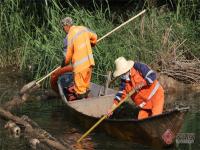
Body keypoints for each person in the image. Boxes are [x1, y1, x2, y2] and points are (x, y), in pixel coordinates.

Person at [60, 17, 97, 100]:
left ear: (66, 26)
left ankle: (82, 103)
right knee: (85, 87)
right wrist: (92, 43)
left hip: (80, 68)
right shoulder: (83, 29)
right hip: (89, 64)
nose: (63, 30)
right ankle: (87, 98)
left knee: (80, 92)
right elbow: (95, 37)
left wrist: (63, 64)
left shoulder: (68, 37)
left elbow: (67, 57)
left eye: (63, 28)